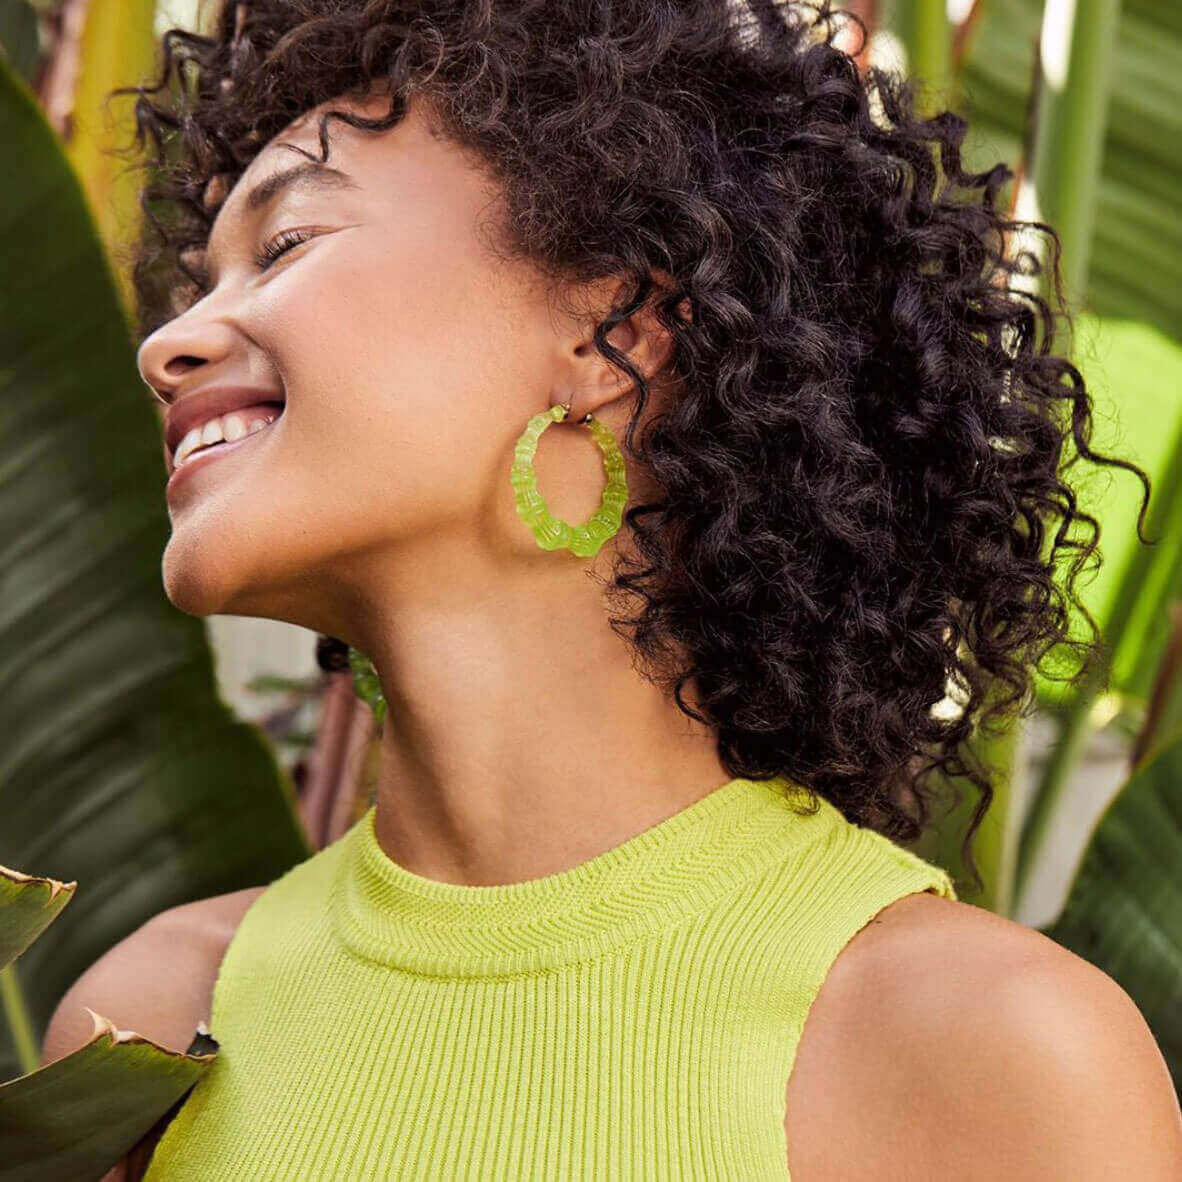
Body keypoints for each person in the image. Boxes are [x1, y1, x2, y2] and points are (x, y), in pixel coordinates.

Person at [43, 1, 1182, 1178]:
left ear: (613, 335)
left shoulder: (977, 1053)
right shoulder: (154, 1022)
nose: (167, 343)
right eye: (195, 282)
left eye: (284, 247)